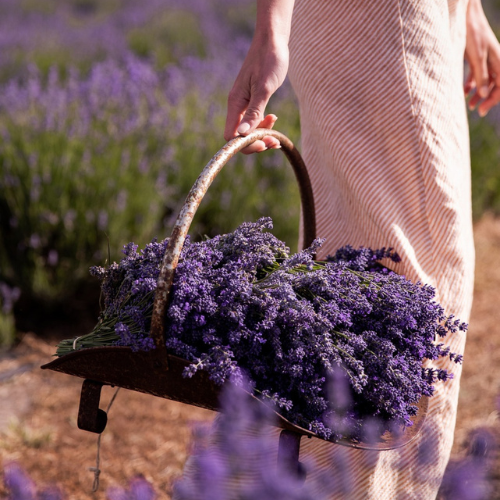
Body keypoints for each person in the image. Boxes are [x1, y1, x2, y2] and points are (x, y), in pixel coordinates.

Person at [223, 0, 500, 498]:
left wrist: (469, 10)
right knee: (406, 279)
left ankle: (294, 481)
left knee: (368, 263)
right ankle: (345, 486)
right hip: (374, 18)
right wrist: (271, 31)